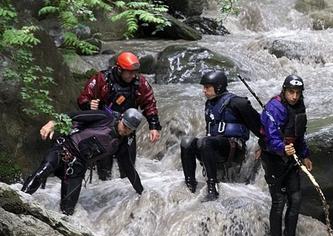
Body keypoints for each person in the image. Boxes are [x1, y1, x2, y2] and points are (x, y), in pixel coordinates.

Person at [21, 108, 145, 215]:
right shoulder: (105, 117)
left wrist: (142, 192)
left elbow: (129, 168)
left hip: (78, 167)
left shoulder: (121, 144)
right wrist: (53, 123)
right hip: (64, 149)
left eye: (129, 130)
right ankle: (18, 202)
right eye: (125, 126)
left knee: (68, 211)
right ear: (121, 119)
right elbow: (75, 115)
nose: (125, 130)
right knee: (41, 173)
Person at [77, 51, 160, 181]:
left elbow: (149, 103)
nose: (133, 75)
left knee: (128, 169)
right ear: (120, 69)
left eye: (135, 72)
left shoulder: (140, 83)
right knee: (104, 171)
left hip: (127, 129)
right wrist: (88, 105)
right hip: (105, 130)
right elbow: (83, 98)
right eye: (129, 72)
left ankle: (128, 195)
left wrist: (153, 126)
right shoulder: (101, 79)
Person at [180, 70, 262, 201]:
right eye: (203, 87)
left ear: (218, 87)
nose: (204, 91)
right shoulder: (210, 104)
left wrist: (264, 144)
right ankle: (190, 184)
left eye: (207, 87)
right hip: (214, 147)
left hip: (234, 149)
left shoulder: (238, 103)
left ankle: (212, 188)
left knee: (206, 142)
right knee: (187, 142)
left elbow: (259, 127)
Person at [259, 74, 312, 236]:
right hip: (273, 159)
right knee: (279, 202)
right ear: (284, 90)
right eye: (291, 92)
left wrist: (304, 154)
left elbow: (299, 135)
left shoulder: (299, 107)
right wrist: (282, 148)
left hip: (291, 159)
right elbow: (271, 135)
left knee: (296, 199)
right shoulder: (274, 107)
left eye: (298, 93)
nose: (294, 96)